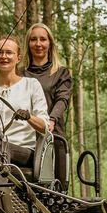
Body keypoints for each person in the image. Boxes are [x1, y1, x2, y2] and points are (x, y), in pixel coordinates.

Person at [22, 23, 72, 185]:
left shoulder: (61, 72)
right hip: (24, 138)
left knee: (57, 187)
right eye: (33, 39)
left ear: (50, 43)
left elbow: (63, 99)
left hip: (53, 135)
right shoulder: (19, 73)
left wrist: (51, 119)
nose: (38, 44)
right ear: (28, 44)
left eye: (43, 39)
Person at [0, 35, 49, 169]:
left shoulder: (31, 85)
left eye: (9, 52)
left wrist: (29, 117)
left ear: (18, 58)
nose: (4, 56)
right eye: (0, 52)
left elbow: (45, 127)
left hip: (24, 151)